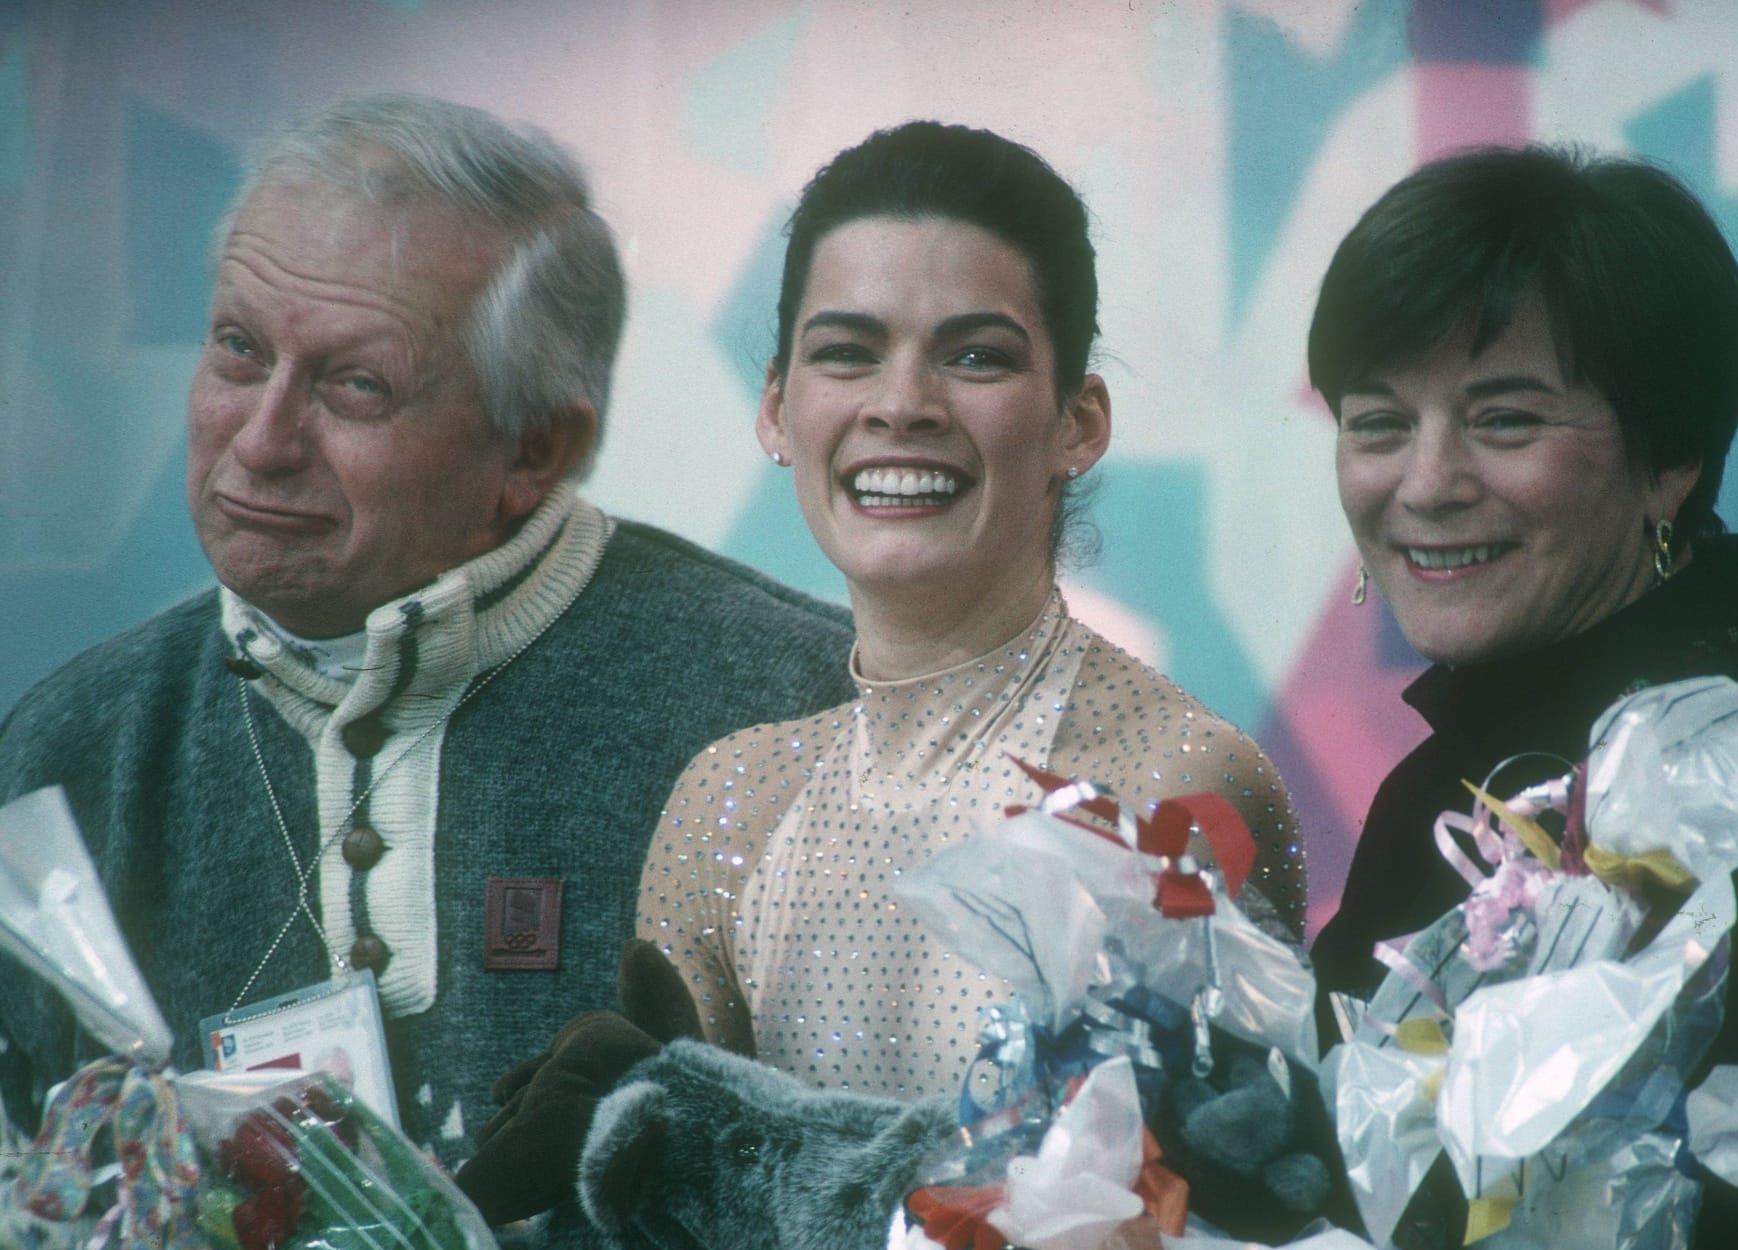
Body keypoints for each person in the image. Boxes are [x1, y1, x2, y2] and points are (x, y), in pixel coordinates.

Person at [0, 92, 855, 1168]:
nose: (260, 439)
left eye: (356, 384)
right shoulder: (67, 754)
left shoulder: (798, 718)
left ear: (533, 451)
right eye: (236, 349)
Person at [1304, 145, 1738, 1250]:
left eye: (1504, 419)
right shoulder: (1452, 780)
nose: (1426, 482)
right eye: (1379, 423)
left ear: (1670, 458)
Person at [630, 119, 1308, 1101]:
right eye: (848, 353)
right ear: (777, 409)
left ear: (1079, 421)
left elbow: (1239, 1208)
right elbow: (669, 1215)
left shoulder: (1178, 784)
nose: (902, 403)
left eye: (977, 358)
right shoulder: (726, 800)